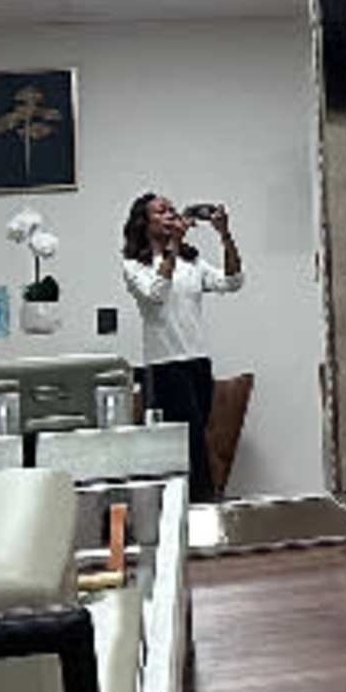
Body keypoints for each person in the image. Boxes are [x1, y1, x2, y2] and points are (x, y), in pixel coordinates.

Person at [118, 189, 245, 495]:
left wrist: (224, 236)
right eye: (161, 212)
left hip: (198, 362)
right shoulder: (134, 266)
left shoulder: (192, 261)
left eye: (172, 210)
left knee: (197, 439)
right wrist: (174, 245)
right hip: (165, 366)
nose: (171, 215)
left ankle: (198, 509)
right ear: (144, 224)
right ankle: (202, 506)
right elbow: (156, 294)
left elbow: (232, 281)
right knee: (185, 447)